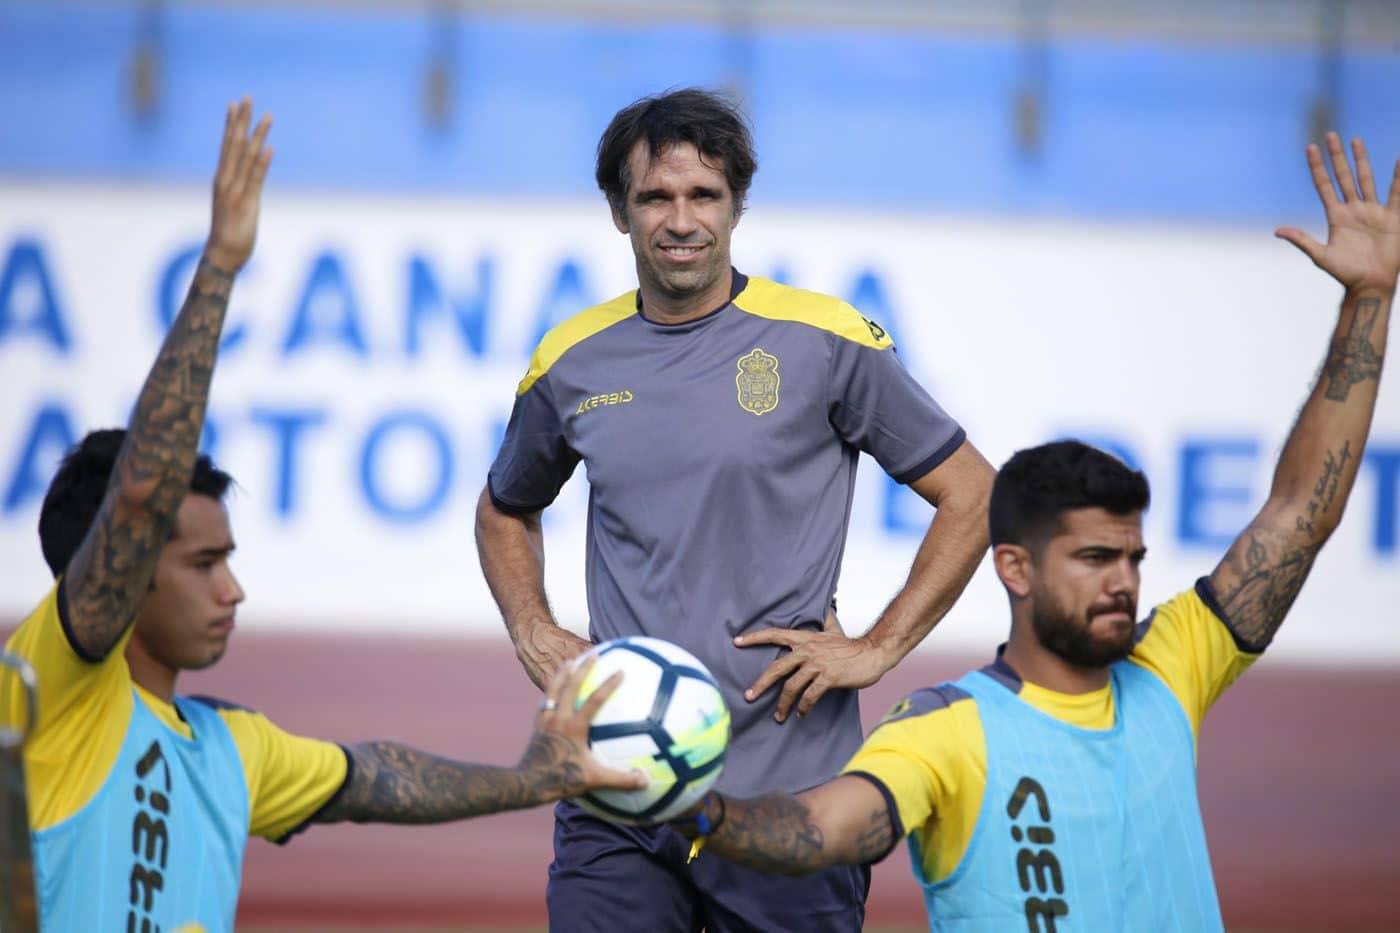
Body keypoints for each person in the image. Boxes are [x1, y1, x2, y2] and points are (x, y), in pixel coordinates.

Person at [665, 133, 1400, 931]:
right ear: (1012, 566)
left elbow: (1300, 514)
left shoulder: (1173, 664)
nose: (1123, 579)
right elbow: (821, 829)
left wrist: (1368, 298)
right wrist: (693, 811)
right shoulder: (951, 727)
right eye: (1093, 558)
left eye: (1131, 557)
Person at [0, 98, 645, 933]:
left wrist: (537, 777)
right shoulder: (57, 686)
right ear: (120, 573)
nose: (232, 590)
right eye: (202, 564)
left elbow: (376, 778)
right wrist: (222, 269)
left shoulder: (234, 750)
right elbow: (138, 498)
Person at [475, 87, 995, 930]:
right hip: (617, 787)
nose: (681, 220)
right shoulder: (569, 361)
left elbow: (973, 493)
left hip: (791, 803)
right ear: (619, 210)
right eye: (655, 197)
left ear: (737, 204)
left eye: (703, 195)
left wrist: (876, 647)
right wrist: (533, 627)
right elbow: (504, 508)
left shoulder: (827, 341)